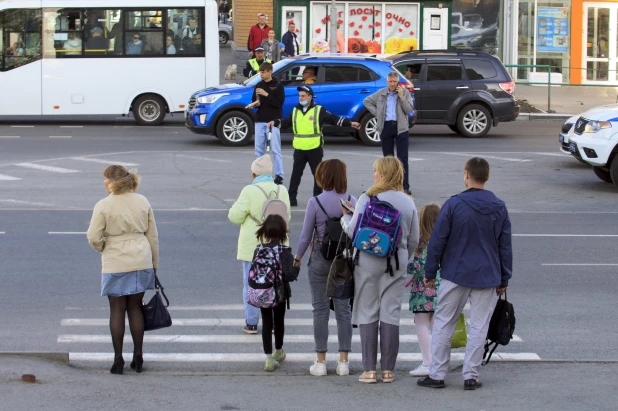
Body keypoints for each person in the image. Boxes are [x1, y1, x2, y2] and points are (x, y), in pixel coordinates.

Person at [417, 157, 512, 391]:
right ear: (487, 177)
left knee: (443, 323)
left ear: (466, 175)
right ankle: (471, 376)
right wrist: (504, 279)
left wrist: (430, 271)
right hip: (487, 276)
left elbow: (438, 241)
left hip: (454, 274)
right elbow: (505, 246)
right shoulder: (499, 207)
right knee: (479, 326)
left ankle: (437, 374)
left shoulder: (453, 204)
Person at [340, 156, 419, 384]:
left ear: (382, 174)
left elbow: (354, 232)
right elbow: (413, 239)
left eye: (376, 171)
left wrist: (346, 217)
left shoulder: (368, 197)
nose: (373, 174)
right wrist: (402, 255)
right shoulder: (407, 201)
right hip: (397, 261)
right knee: (390, 313)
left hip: (368, 259)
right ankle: (388, 371)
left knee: (367, 310)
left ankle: (369, 371)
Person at [86, 165, 159, 375]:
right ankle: (138, 357)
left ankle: (118, 360)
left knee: (117, 309)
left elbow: (93, 236)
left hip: (115, 260)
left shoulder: (103, 205)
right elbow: (152, 235)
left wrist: (104, 248)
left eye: (105, 178)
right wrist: (154, 263)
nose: (103, 182)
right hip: (141, 258)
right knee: (135, 308)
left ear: (112, 181)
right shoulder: (142, 201)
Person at [294, 159, 356, 376]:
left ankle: (320, 362)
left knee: (320, 310)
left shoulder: (315, 202)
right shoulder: (351, 200)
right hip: (344, 260)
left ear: (322, 177)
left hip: (320, 257)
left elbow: (305, 236)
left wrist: (298, 258)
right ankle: (344, 362)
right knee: (344, 310)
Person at [228, 155, 291, 334]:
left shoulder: (249, 190)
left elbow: (234, 216)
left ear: (254, 173)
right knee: (275, 283)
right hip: (278, 247)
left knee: (252, 284)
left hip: (253, 249)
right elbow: (288, 217)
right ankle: (272, 323)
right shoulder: (281, 190)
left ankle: (252, 323)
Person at [268, 85, 360, 207]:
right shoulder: (295, 110)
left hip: (314, 148)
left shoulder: (318, 110)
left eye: (303, 96)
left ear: (310, 97)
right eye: (299, 96)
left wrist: (350, 123)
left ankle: (317, 199)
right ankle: (291, 199)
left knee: (318, 176)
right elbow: (287, 123)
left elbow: (333, 119)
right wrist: (276, 122)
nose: (300, 98)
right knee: (296, 175)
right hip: (299, 149)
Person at [251, 214, 295, 372]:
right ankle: (278, 351)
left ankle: (268, 359)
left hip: (262, 291)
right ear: (283, 232)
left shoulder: (259, 249)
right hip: (279, 293)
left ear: (265, 231)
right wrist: (296, 265)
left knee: (266, 322)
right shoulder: (284, 251)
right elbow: (290, 275)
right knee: (279, 321)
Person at [363, 72, 415, 196]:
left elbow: (409, 110)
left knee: (403, 159)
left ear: (398, 82)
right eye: (390, 81)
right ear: (387, 82)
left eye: (394, 82)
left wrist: (402, 97)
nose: (392, 84)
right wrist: (378, 114)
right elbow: (366, 101)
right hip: (385, 126)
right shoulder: (381, 93)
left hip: (400, 127)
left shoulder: (404, 93)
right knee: (387, 159)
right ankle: (387, 185)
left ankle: (404, 186)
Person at [406, 203, 441, 377]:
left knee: (421, 324)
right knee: (436, 326)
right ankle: (438, 361)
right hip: (441, 289)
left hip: (423, 289)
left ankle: (428, 362)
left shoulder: (423, 241)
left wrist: (405, 267)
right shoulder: (444, 239)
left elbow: (419, 266)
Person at [249, 62, 285, 185]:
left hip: (273, 120)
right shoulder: (258, 85)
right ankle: (260, 174)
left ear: (270, 71)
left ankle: (279, 175)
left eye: (263, 72)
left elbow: (278, 103)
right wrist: (255, 103)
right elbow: (255, 100)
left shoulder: (278, 86)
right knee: (259, 149)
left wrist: (267, 94)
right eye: (260, 72)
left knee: (275, 149)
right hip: (260, 120)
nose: (261, 74)